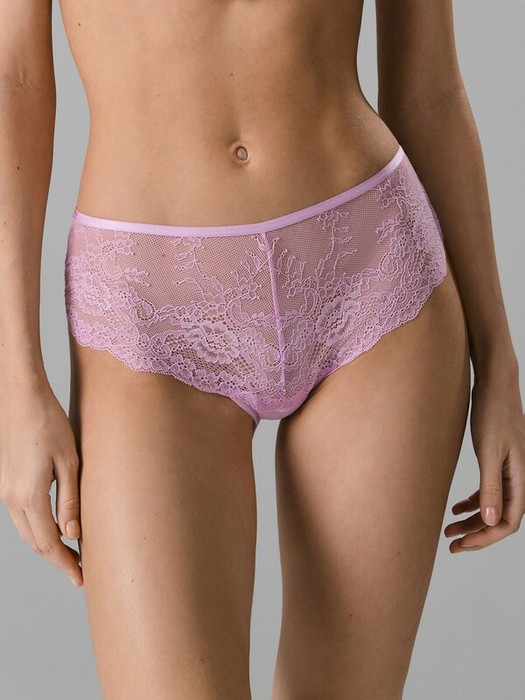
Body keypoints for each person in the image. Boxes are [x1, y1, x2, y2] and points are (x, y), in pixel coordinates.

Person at [1, 1, 524, 698]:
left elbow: (428, 89)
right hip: (148, 313)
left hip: (371, 274)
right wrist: (16, 380)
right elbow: (15, 77)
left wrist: (498, 359)